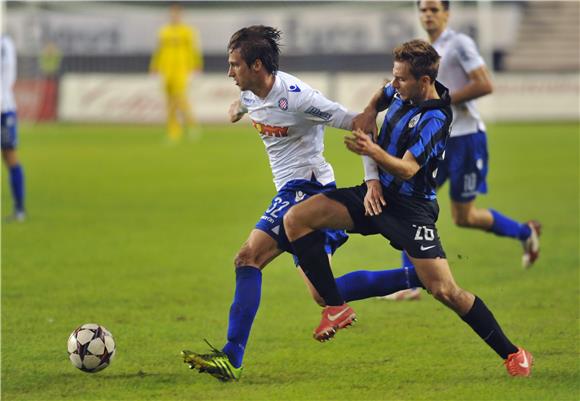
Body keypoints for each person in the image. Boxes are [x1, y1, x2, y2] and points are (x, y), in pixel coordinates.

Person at [180, 26, 425, 382]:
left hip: (306, 189)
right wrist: (237, 109)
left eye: (234, 65)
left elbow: (361, 125)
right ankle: (419, 276)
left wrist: (372, 179)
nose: (229, 72)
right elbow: (248, 104)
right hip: (295, 189)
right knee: (324, 294)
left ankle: (232, 357)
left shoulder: (297, 98)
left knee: (248, 257)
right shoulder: (251, 92)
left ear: (257, 66)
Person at [283, 39, 534, 377]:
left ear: (425, 81)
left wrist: (371, 151)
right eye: (394, 76)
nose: (394, 84)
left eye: (401, 79)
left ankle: (513, 353)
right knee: (298, 218)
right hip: (375, 194)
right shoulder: (401, 90)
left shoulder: (436, 119)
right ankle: (335, 307)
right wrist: (371, 109)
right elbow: (382, 93)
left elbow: (407, 169)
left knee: (445, 290)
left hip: (411, 209)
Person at [150, 3, 203, 142]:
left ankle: (191, 124)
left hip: (181, 69)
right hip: (166, 69)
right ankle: (174, 131)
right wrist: (155, 65)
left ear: (181, 15)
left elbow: (193, 49)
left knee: (179, 98)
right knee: (169, 101)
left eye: (176, 14)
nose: (174, 16)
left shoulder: (187, 31)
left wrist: (197, 63)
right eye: (172, 13)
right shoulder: (164, 31)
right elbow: (159, 50)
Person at [1, 34, 26, 222]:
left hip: (4, 109)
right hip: (5, 108)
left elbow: (7, 76)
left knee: (10, 156)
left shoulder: (5, 44)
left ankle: (19, 209)